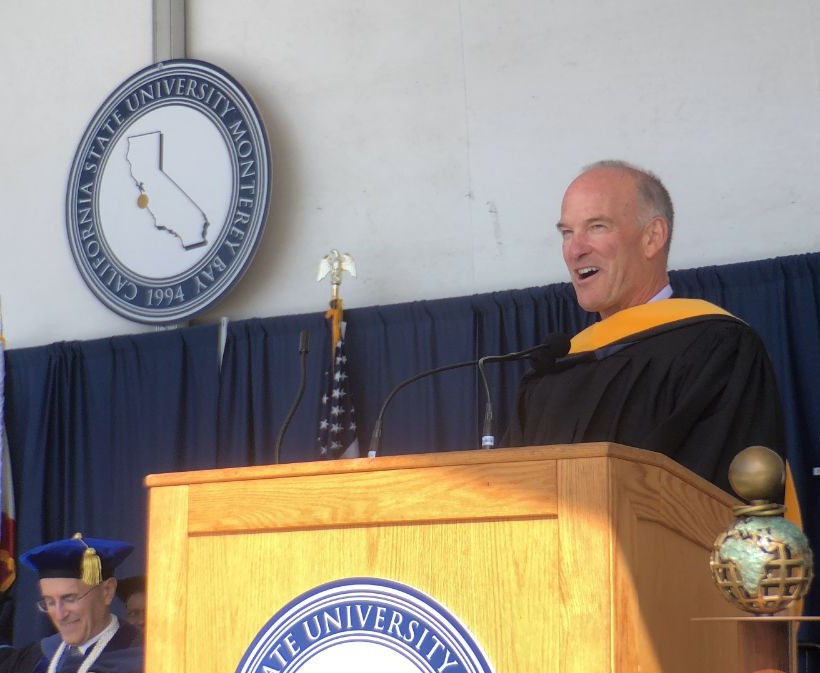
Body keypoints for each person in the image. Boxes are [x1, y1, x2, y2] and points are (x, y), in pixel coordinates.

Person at [504, 160, 786, 494]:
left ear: (652, 237)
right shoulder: (554, 373)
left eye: (597, 227)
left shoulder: (717, 350)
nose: (575, 250)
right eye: (567, 232)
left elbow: (714, 502)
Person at [0, 533, 143, 673]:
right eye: (49, 602)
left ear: (107, 591)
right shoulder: (40, 655)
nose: (60, 615)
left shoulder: (141, 658)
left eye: (70, 599)